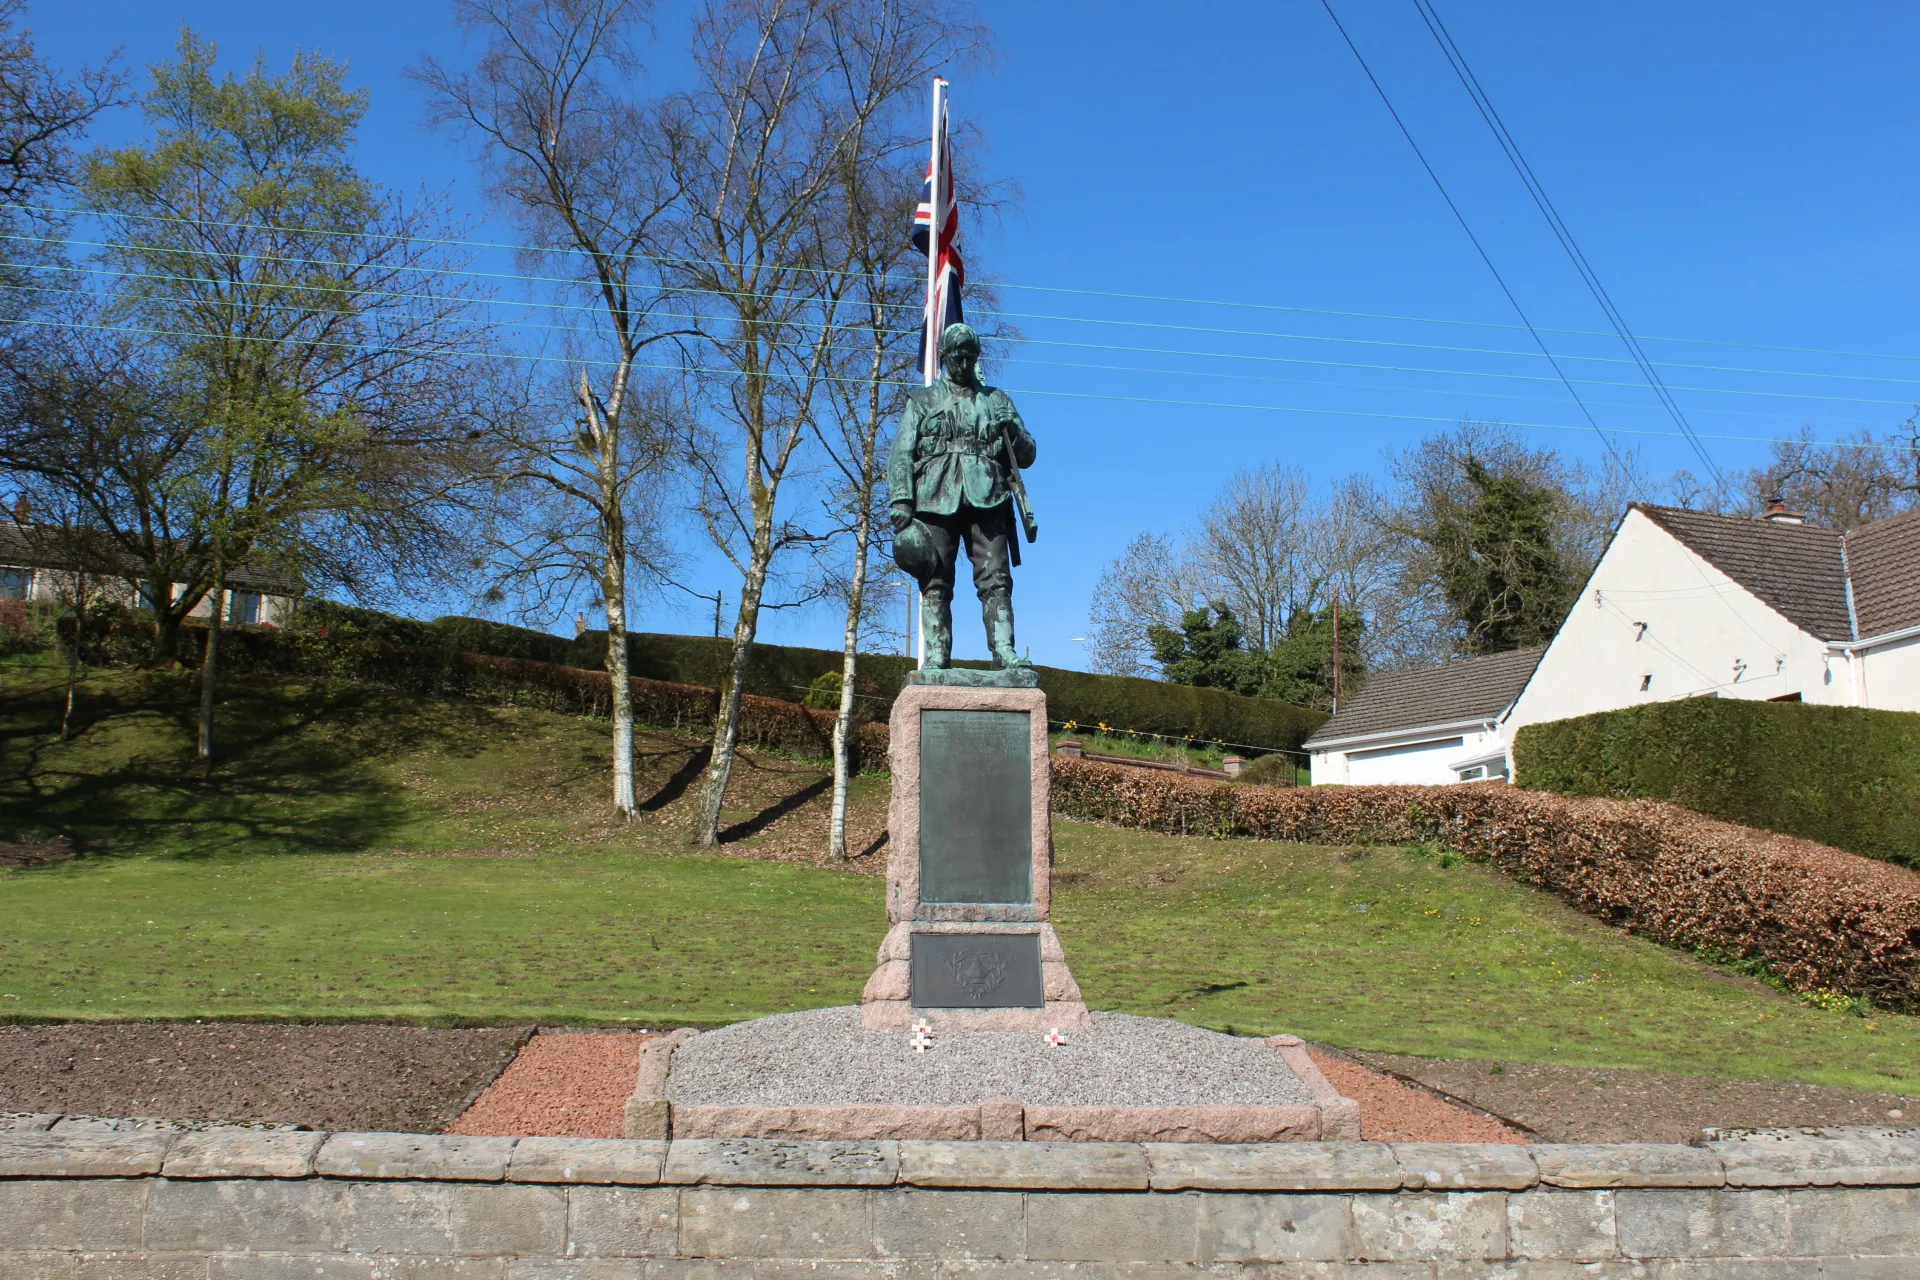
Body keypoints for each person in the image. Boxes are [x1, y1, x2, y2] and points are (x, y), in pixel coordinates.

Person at [887, 322, 1037, 669]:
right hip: (934, 497)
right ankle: (938, 655)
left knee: (997, 578)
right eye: (957, 356)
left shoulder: (996, 399)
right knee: (935, 579)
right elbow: (901, 453)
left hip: (989, 496)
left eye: (970, 357)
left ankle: (1004, 651)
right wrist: (901, 500)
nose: (963, 363)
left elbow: (1028, 455)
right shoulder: (923, 401)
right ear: (944, 357)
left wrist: (1012, 430)